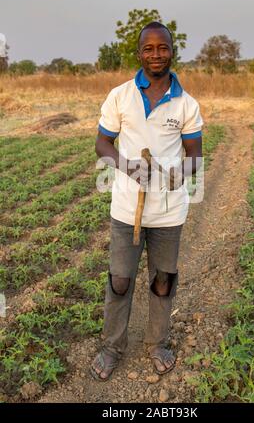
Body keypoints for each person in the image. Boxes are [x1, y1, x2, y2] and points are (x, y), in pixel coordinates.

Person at [90, 22, 204, 381]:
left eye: (163, 48)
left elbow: (195, 155)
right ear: (139, 54)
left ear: (172, 51)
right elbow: (103, 144)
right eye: (149, 49)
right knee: (120, 281)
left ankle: (158, 343)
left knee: (162, 281)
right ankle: (112, 347)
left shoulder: (186, 104)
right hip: (127, 210)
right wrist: (128, 167)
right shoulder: (120, 96)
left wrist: (177, 174)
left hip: (169, 213)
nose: (157, 54)